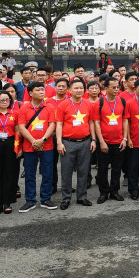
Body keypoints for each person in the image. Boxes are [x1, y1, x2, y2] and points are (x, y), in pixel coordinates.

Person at [16, 82, 58, 212]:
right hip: (29, 146)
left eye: (42, 89)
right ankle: (30, 200)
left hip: (47, 145)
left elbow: (52, 125)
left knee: (47, 173)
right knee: (29, 174)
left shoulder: (49, 107)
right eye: (38, 90)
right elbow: (21, 127)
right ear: (30, 93)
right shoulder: (23, 108)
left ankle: (46, 199)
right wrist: (34, 141)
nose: (41, 92)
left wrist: (43, 139)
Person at [55, 79, 96, 209]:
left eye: (81, 88)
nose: (79, 90)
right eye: (76, 88)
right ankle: (66, 198)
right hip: (68, 143)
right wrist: (59, 143)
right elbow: (59, 124)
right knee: (66, 172)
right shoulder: (63, 105)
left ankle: (82, 197)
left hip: (85, 142)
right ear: (70, 90)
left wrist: (93, 140)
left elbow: (91, 123)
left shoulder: (88, 103)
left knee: (83, 171)